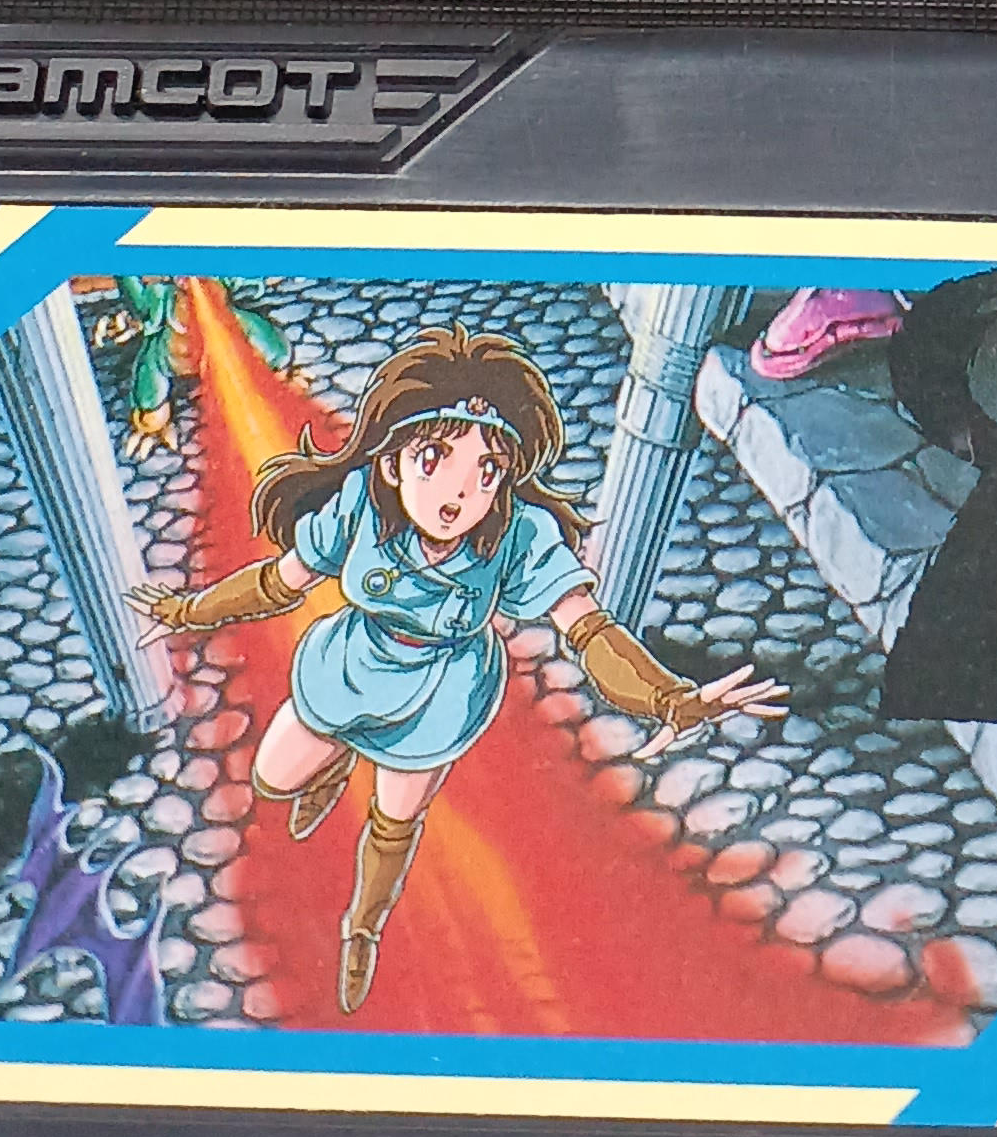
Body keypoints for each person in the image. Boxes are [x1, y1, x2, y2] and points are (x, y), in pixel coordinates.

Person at [137, 325, 784, 1014]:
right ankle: (336, 762)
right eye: (435, 458)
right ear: (393, 461)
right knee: (273, 778)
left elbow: (588, 629)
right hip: (352, 661)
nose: (460, 493)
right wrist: (189, 610)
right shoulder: (359, 501)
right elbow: (279, 582)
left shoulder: (518, 534)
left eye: (487, 471)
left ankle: (364, 927)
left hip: (441, 692)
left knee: (393, 821)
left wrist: (666, 698)